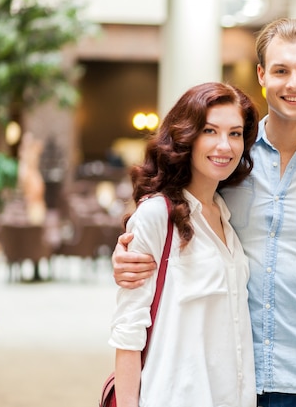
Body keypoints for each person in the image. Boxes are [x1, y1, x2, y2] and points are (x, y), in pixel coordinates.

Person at [112, 18, 296, 407]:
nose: (293, 83)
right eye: (281, 70)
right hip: (228, 383)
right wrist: (129, 251)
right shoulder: (231, 159)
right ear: (262, 75)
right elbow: (175, 208)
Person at [108, 82, 259, 407]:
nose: (225, 145)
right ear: (186, 136)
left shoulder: (226, 215)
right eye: (210, 131)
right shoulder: (156, 215)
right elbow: (128, 331)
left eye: (235, 134)